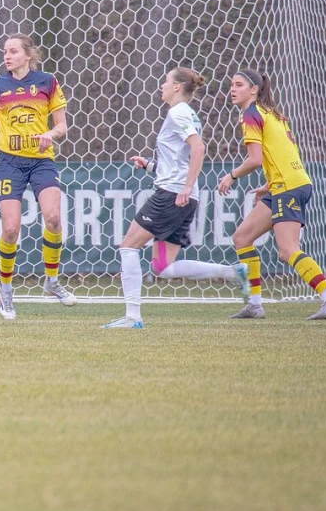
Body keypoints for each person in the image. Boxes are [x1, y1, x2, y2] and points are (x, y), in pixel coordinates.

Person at [103, 68, 244, 329]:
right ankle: (231, 272)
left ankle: (132, 317)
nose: (162, 85)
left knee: (128, 247)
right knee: (162, 266)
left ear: (177, 86)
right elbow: (178, 161)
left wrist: (186, 187)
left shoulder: (178, 112)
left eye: (166, 81)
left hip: (173, 194)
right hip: (182, 194)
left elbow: (198, 148)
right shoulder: (187, 113)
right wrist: (150, 166)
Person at [0, 34, 74, 320]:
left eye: (13, 51)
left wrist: (50, 134)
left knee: (53, 218)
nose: (7, 56)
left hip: (41, 160)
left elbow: (62, 126)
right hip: (9, 162)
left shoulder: (47, 82)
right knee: (10, 229)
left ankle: (52, 280)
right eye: (5, 51)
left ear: (28, 55)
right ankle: (5, 291)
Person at [217, 69, 326, 321]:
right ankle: (254, 305)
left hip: (288, 187)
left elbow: (255, 160)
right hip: (284, 184)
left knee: (287, 250)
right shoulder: (271, 113)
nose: (232, 89)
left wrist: (231, 176)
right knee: (242, 237)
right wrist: (268, 184)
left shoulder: (251, 114)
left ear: (254, 89)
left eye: (239, 84)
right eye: (232, 84)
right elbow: (284, 153)